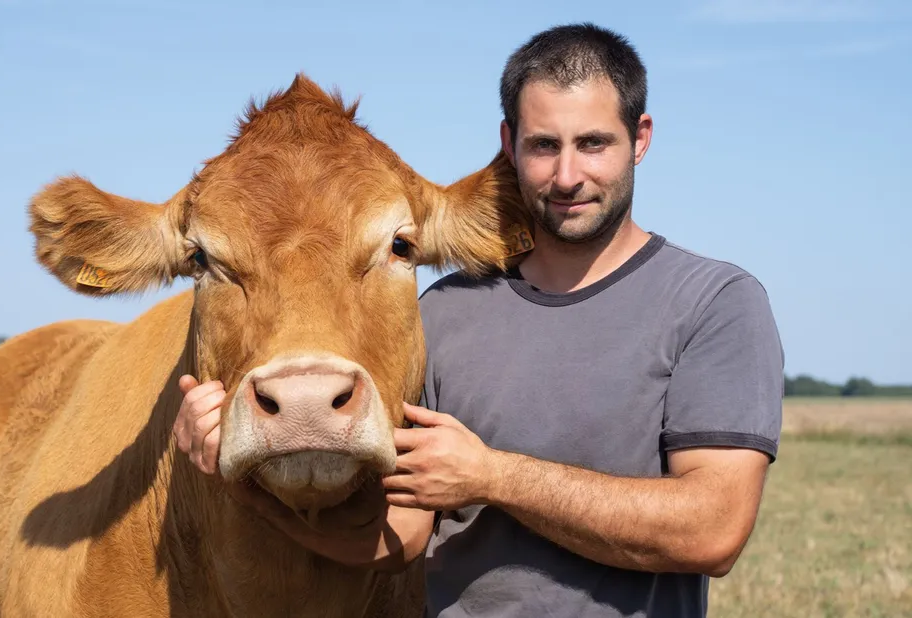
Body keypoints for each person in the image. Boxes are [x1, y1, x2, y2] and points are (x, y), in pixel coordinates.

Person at [174, 22, 783, 618]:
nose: (568, 176)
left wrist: (492, 476)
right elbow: (401, 538)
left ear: (641, 138)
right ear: (508, 142)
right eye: (544, 145)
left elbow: (713, 531)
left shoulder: (715, 301)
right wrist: (239, 476)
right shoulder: (441, 314)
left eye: (593, 143)